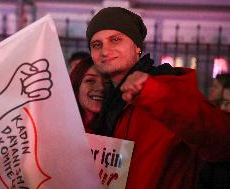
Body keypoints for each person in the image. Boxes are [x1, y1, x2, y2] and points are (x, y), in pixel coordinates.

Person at [86, 7, 230, 189]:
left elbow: (220, 138)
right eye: (96, 44)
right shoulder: (104, 100)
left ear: (137, 47)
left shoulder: (169, 86)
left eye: (115, 39)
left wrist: (153, 94)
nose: (105, 50)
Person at [70, 56, 110, 132]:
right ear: (76, 85)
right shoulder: (54, 124)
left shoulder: (121, 129)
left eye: (107, 82)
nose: (101, 87)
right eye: (90, 80)